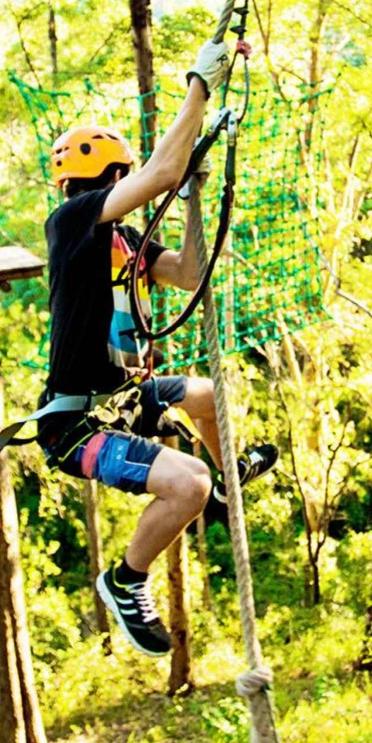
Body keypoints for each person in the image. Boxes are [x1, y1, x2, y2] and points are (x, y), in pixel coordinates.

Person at [39, 39, 278, 657]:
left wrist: (198, 190)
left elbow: (192, 270)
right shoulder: (73, 223)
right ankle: (125, 579)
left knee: (202, 396)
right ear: (112, 179)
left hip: (122, 397)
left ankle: (228, 485)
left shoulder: (121, 239)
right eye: (125, 177)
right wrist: (199, 83)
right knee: (186, 485)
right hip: (77, 423)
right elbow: (161, 173)